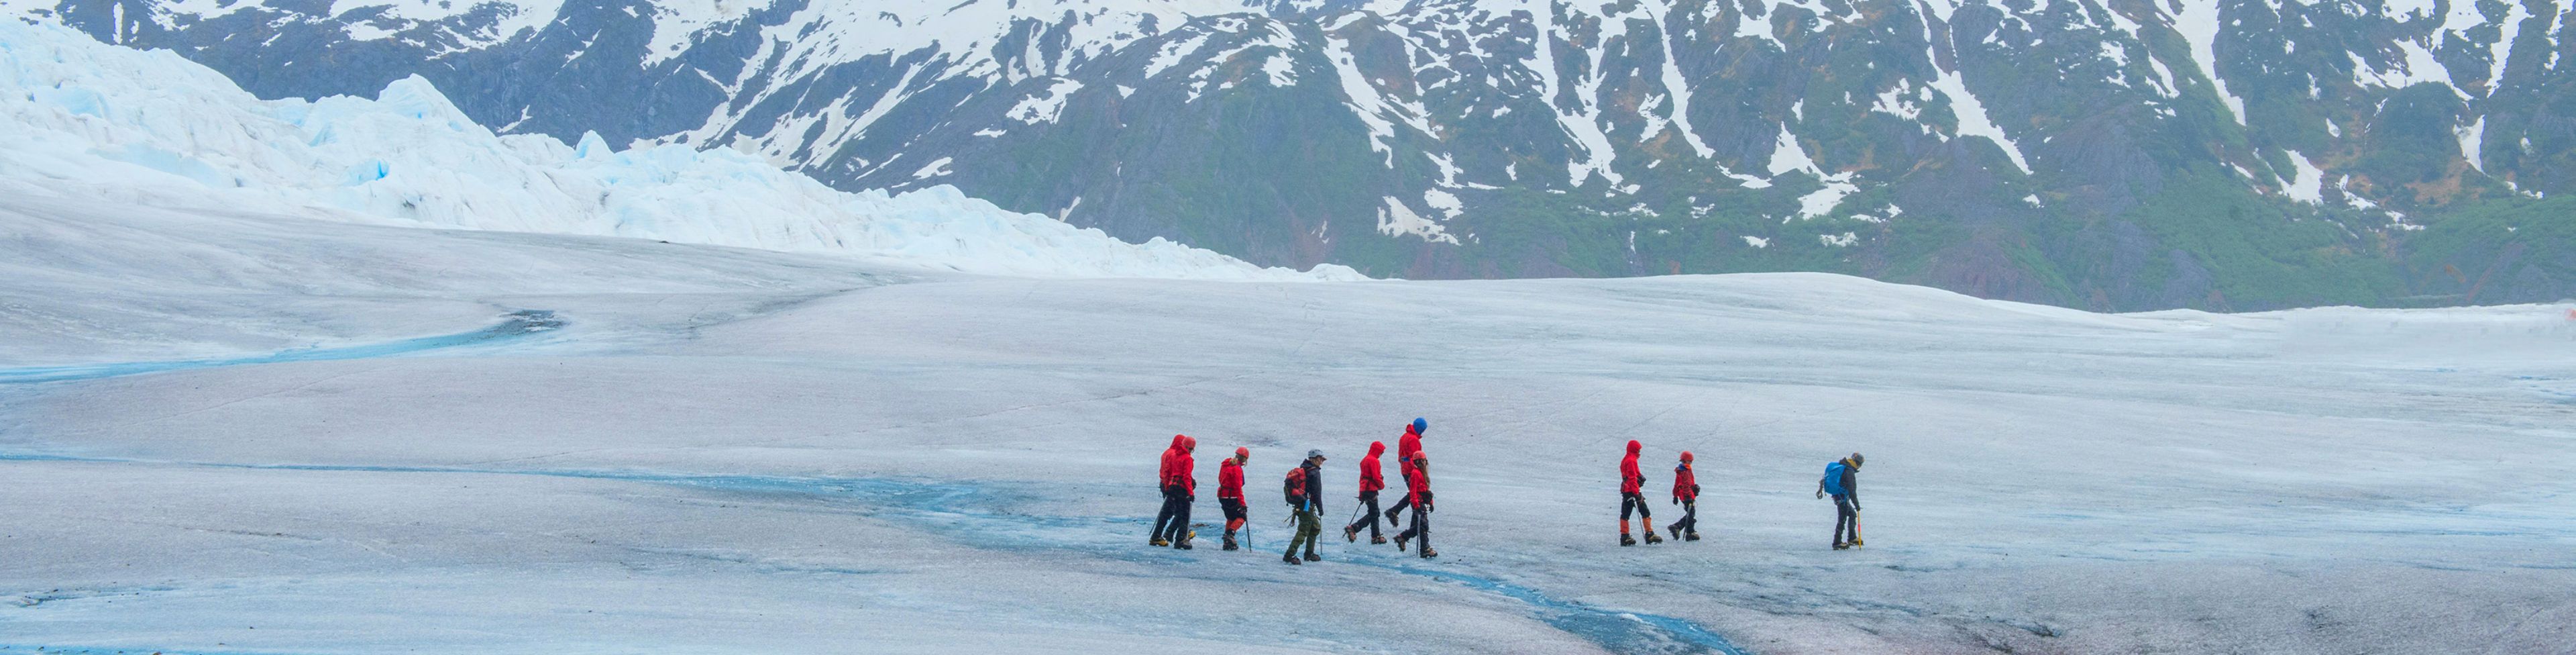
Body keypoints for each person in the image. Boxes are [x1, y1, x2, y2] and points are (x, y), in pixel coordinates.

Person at [1152, 435, 1198, 549]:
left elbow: (1167, 472)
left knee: (1171, 512)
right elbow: (1184, 475)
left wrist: (1168, 487)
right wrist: (1190, 491)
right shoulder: (1179, 456)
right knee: (1179, 513)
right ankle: (1176, 536)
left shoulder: (1168, 453)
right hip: (1177, 487)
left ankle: (1168, 533)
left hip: (1169, 486)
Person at [1282, 450, 1328, 565]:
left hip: (1302, 503)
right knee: (1303, 530)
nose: (1321, 462)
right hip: (1307, 505)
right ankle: (1289, 555)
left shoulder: (1305, 469)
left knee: (1315, 528)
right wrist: (1321, 509)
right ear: (1314, 459)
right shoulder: (1315, 473)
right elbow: (1317, 493)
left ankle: (1309, 554)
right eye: (1320, 459)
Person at [1382, 418, 1428, 526]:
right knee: (1416, 493)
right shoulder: (1414, 440)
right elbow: (1415, 457)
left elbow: (1401, 456)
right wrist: (1419, 471)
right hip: (1411, 470)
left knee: (1413, 492)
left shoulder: (1404, 436)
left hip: (1404, 469)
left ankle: (1395, 511)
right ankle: (1416, 521)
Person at [1816, 452, 1864, 549]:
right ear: (1858, 464)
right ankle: (1837, 542)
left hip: (1839, 496)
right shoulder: (1849, 472)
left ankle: (1852, 537)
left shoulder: (1844, 466)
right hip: (1842, 498)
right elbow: (1852, 491)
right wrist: (1857, 505)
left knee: (1852, 515)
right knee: (1842, 519)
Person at [1393, 452, 1436, 558]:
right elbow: (1413, 491)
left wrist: (1430, 502)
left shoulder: (1421, 473)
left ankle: (1404, 538)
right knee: (1423, 526)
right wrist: (1416, 505)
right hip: (1418, 503)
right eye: (1425, 460)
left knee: (1418, 526)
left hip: (1421, 502)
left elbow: (1426, 490)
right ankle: (1424, 548)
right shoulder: (1416, 474)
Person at [1345, 441, 1389, 544]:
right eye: (1381, 452)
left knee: (1374, 512)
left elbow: (1363, 477)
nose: (1381, 454)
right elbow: (1376, 477)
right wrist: (1381, 485)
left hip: (1365, 488)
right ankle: (1356, 528)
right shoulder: (1374, 461)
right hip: (1371, 489)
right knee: (1374, 513)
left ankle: (1374, 535)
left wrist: (1361, 493)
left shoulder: (1364, 460)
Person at [1619, 440, 1662, 546]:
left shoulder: (1627, 459)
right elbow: (1632, 478)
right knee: (1645, 511)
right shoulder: (1632, 460)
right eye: (1638, 449)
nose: (1639, 451)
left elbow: (1631, 475)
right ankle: (1649, 534)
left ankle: (1625, 536)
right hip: (1632, 492)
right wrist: (1637, 493)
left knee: (1625, 514)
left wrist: (1639, 476)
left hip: (1626, 491)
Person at [1219, 446, 1249, 550]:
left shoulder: (1226, 464)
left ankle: (1227, 543)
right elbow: (1238, 488)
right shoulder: (1237, 469)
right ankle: (1229, 535)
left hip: (1222, 495)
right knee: (1242, 517)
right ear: (1244, 459)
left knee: (1231, 517)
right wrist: (1243, 504)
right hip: (1231, 496)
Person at [1668, 451, 1701, 542]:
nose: (1690, 463)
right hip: (1687, 495)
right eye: (1689, 461)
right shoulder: (1685, 471)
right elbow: (1686, 486)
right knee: (1691, 513)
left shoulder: (1681, 470)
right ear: (1684, 461)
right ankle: (1678, 526)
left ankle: (1690, 532)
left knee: (1691, 513)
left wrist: (1675, 496)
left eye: (1691, 462)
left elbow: (1676, 485)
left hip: (1683, 495)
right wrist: (1691, 496)